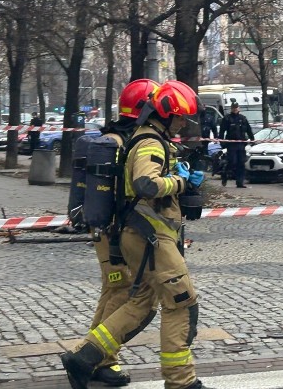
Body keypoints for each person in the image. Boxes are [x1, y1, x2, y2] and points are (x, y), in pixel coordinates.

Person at [60, 80, 213, 389]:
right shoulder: (149, 142)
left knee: (141, 300)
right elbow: (145, 184)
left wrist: (180, 175)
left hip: (142, 234)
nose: (184, 123)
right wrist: (180, 183)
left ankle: (87, 356)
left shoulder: (145, 139)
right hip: (148, 236)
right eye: (181, 117)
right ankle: (181, 382)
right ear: (168, 113)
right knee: (181, 302)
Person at [77, 79, 160, 387]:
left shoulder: (113, 137)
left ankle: (94, 356)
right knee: (122, 290)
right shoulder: (125, 143)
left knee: (113, 289)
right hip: (115, 233)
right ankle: (97, 358)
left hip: (107, 230)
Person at [218, 101, 254, 188]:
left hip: (241, 144)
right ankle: (225, 174)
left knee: (241, 163)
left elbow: (248, 130)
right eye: (234, 108)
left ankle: (240, 182)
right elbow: (222, 131)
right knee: (232, 162)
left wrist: (252, 139)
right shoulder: (227, 118)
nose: (235, 109)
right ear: (231, 108)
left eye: (236, 107)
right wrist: (222, 142)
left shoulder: (243, 118)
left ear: (239, 108)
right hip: (231, 144)